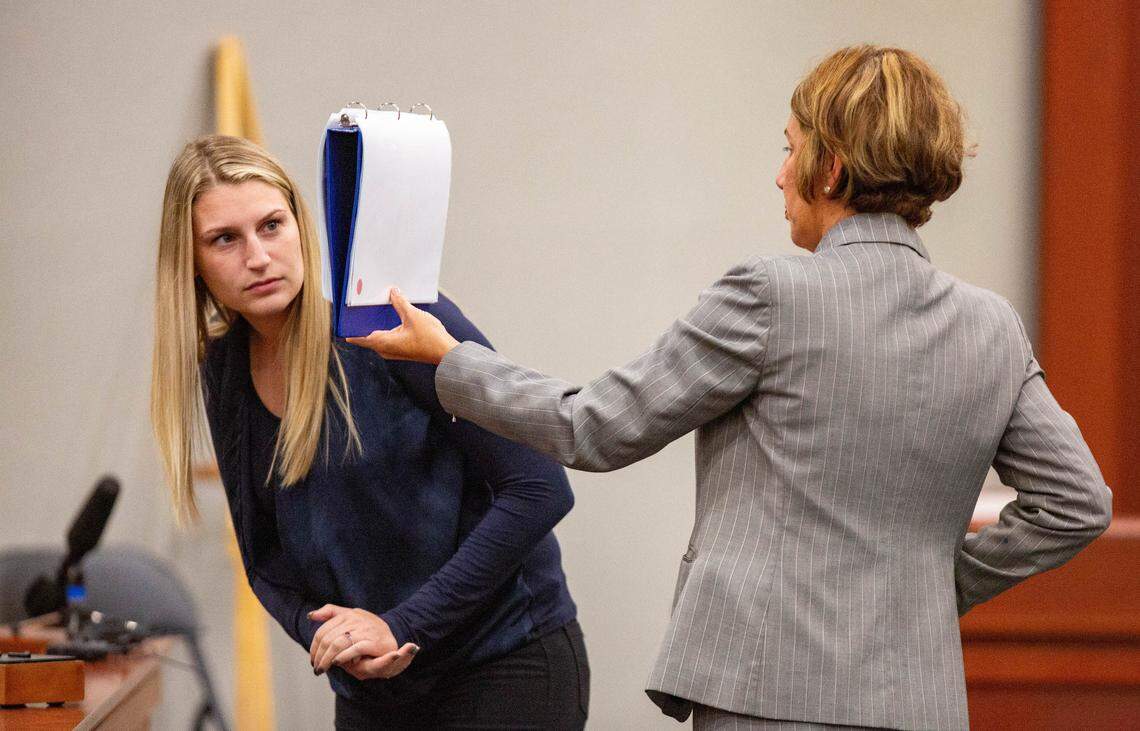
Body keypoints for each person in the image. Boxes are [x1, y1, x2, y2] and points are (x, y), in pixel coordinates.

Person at [351, 45, 1112, 730]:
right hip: (921, 700)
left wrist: (450, 359)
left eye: (790, 148)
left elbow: (595, 426)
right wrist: (937, 591)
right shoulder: (993, 326)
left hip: (767, 690)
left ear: (832, 168)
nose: (779, 172)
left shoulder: (772, 295)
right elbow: (1078, 502)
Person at [150, 135, 589, 729]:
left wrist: (402, 626)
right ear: (192, 260)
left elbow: (539, 489)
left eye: (272, 225)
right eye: (225, 239)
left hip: (503, 660)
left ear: (302, 225)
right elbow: (266, 559)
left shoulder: (388, 318)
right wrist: (338, 641)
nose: (257, 256)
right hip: (373, 689)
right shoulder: (224, 370)